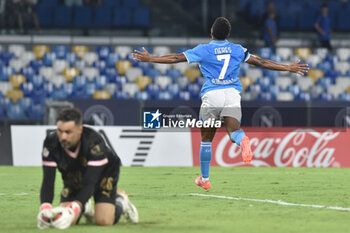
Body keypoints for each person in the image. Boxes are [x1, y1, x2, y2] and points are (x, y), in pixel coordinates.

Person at [132, 17, 309, 190]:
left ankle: (205, 179)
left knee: (206, 139)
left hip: (212, 95)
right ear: (228, 34)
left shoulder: (203, 50)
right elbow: (260, 62)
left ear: (211, 32)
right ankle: (243, 140)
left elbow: (176, 58)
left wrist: (150, 58)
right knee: (234, 132)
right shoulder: (237, 49)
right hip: (232, 94)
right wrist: (288, 67)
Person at [37, 108, 138, 229]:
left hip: (104, 172)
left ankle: (121, 201)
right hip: (74, 173)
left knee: (104, 221)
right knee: (67, 221)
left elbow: (91, 183)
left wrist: (74, 207)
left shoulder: (94, 142)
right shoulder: (51, 142)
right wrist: (45, 207)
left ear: (80, 129)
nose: (63, 137)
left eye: (68, 132)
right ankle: (86, 206)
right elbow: (48, 180)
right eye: (60, 131)